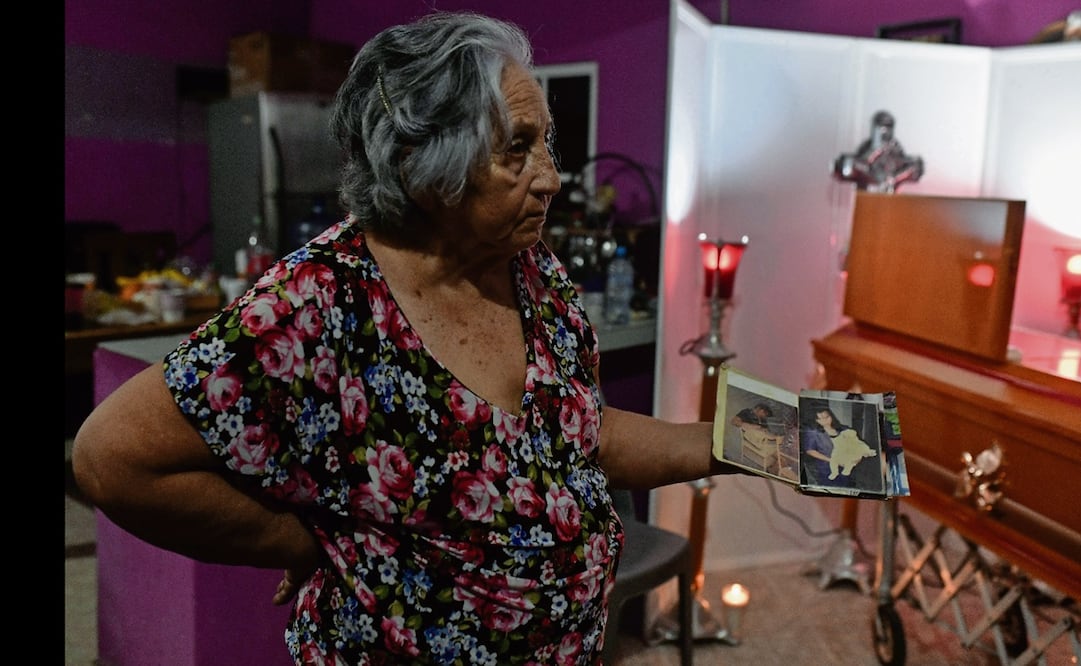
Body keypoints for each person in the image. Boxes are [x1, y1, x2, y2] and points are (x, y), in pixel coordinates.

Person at [71, 12, 746, 665]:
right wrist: (298, 541)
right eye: (517, 148)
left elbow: (582, 433)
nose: (550, 177)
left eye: (546, 142)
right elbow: (111, 460)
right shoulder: (319, 303)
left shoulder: (530, 268)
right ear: (423, 163)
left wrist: (749, 442)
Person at [831, 110, 924, 193]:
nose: (885, 131)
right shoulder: (866, 147)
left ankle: (886, 183)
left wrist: (893, 178)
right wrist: (876, 151)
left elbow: (910, 165)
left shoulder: (896, 148)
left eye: (888, 127)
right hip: (869, 187)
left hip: (890, 188)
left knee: (916, 164)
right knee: (849, 163)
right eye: (882, 127)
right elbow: (856, 164)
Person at [803, 405, 876, 484]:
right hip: (827, 468)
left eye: (827, 417)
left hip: (848, 466)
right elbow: (809, 450)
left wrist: (858, 458)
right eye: (820, 418)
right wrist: (831, 460)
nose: (825, 420)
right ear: (815, 420)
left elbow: (857, 443)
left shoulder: (844, 429)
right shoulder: (813, 432)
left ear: (831, 416)